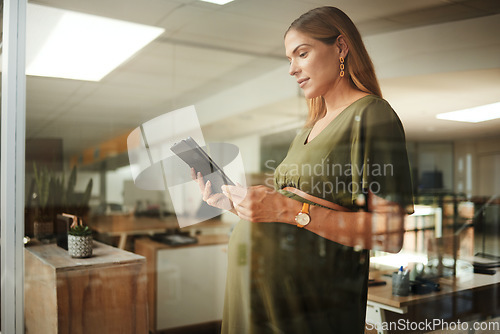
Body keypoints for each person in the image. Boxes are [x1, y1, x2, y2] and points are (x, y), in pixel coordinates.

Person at [192, 6, 414, 334]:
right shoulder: (308, 129)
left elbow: (389, 234)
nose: (292, 69)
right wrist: (239, 205)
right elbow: (289, 210)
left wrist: (286, 208)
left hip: (306, 308)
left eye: (302, 53)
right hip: (256, 296)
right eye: (289, 59)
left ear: (340, 47)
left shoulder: (372, 115)